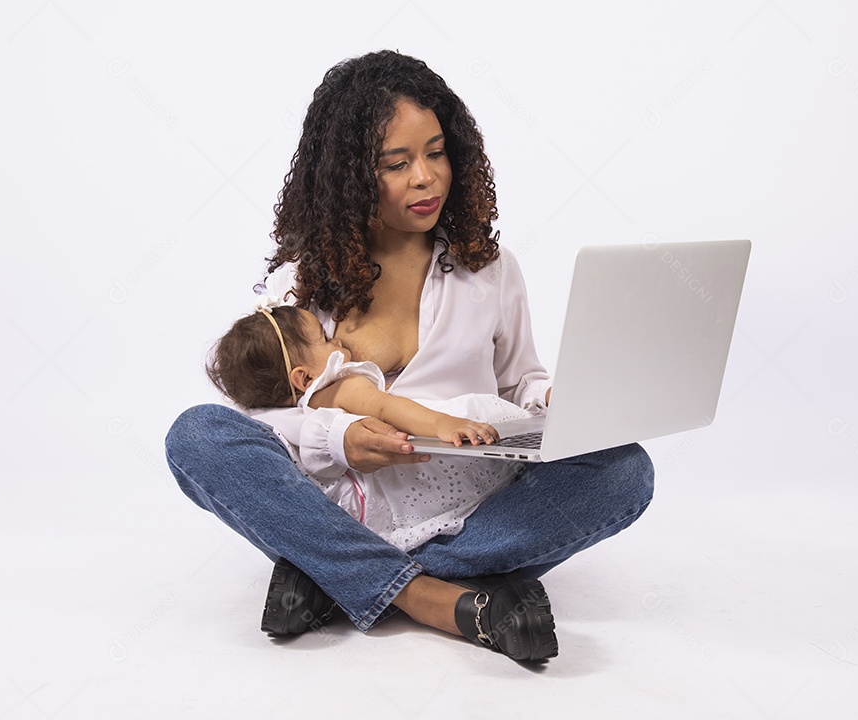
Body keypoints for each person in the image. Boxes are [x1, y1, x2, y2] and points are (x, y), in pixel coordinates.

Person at [164, 49, 654, 663]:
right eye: (397, 164)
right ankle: (436, 599)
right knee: (198, 435)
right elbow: (264, 414)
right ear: (348, 176)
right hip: (339, 503)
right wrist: (336, 435)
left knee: (625, 471)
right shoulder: (301, 283)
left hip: (464, 506)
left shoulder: (489, 271)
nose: (426, 178)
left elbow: (521, 381)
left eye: (437, 152)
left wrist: (555, 399)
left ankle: (334, 579)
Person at [207, 299, 532, 552]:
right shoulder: (342, 386)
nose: (337, 342)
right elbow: (385, 406)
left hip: (356, 509)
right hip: (412, 469)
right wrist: (442, 423)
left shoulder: (281, 415)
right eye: (324, 339)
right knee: (491, 428)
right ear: (304, 377)